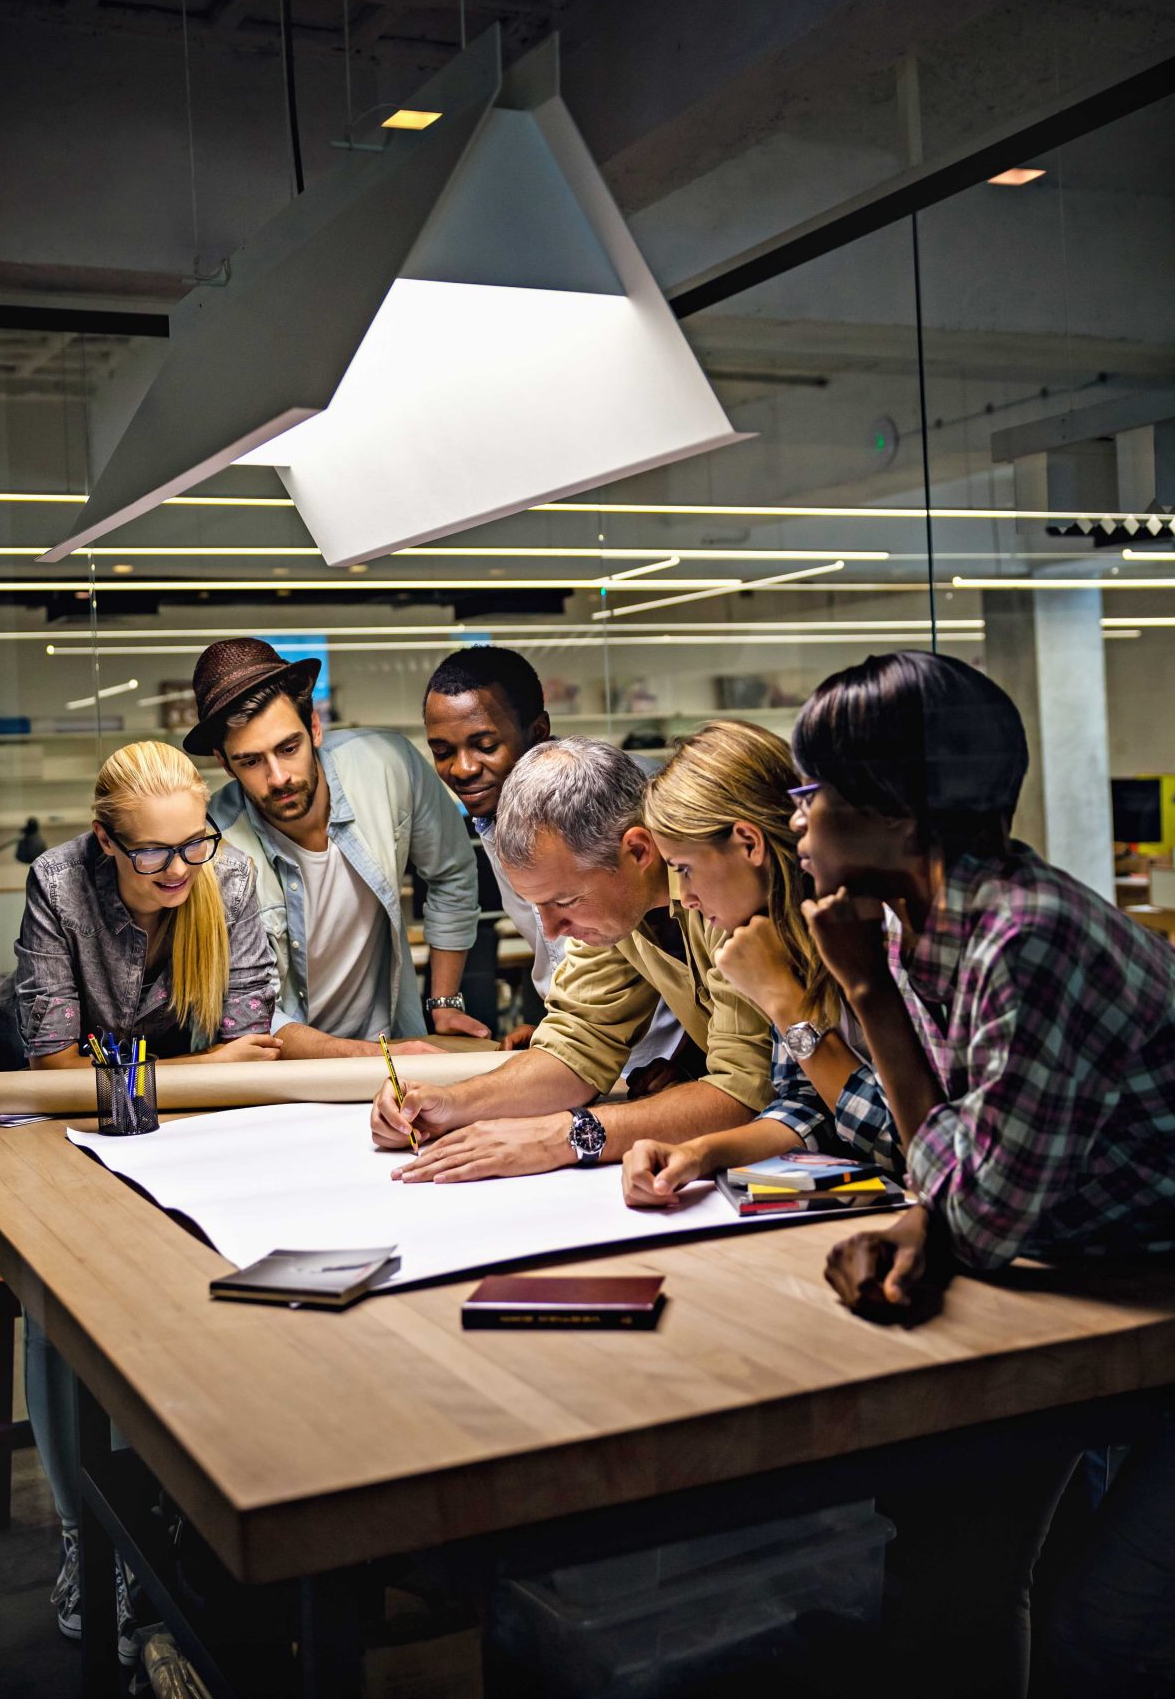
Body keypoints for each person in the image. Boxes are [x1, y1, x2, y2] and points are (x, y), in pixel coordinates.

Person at [789, 650, 1175, 1697]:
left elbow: (981, 1209)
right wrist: (932, 1220)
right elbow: (958, 1164)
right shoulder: (928, 925)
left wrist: (862, 998)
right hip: (1116, 1281)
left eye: (812, 792)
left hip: (1139, 1299)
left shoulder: (1025, 935)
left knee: (1098, 1636)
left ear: (902, 818)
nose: (797, 820)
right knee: (965, 1566)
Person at [0, 739, 279, 1658]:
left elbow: (253, 1048)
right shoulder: (58, 882)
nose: (180, 869)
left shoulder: (219, 877)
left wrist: (201, 1076)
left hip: (161, 1103)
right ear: (106, 841)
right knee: (58, 1295)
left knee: (202, 1257)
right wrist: (200, 1070)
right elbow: (56, 1068)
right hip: (34, 1103)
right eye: (153, 853)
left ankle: (177, 1507)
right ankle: (88, 1541)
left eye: (195, 845)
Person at [371, 737, 776, 1179]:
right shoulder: (620, 905)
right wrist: (449, 1103)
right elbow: (576, 1046)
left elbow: (745, 1091)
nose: (550, 930)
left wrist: (568, 1136)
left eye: (565, 901)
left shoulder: (727, 892)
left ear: (638, 852)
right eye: (538, 906)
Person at [616, 720, 901, 1210]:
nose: (684, 898)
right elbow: (808, 1104)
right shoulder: (780, 933)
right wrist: (699, 1153)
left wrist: (785, 1002)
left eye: (684, 868)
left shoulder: (884, 932)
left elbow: (901, 1142)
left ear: (749, 843)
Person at [189, 639, 484, 1057]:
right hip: (283, 1072)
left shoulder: (389, 764)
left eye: (288, 748)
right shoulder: (212, 845)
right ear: (224, 762)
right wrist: (367, 1059)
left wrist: (444, 1001)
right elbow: (245, 1007)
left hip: (393, 1041)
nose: (278, 778)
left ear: (314, 728)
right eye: (251, 762)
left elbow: (451, 873)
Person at [422, 644, 687, 1079]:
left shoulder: (630, 805)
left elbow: (713, 978)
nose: (463, 768)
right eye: (442, 751)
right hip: (592, 1046)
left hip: (662, 1057)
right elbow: (576, 957)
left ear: (538, 731)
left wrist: (690, 1060)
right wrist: (559, 1029)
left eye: (485, 744)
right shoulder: (496, 811)